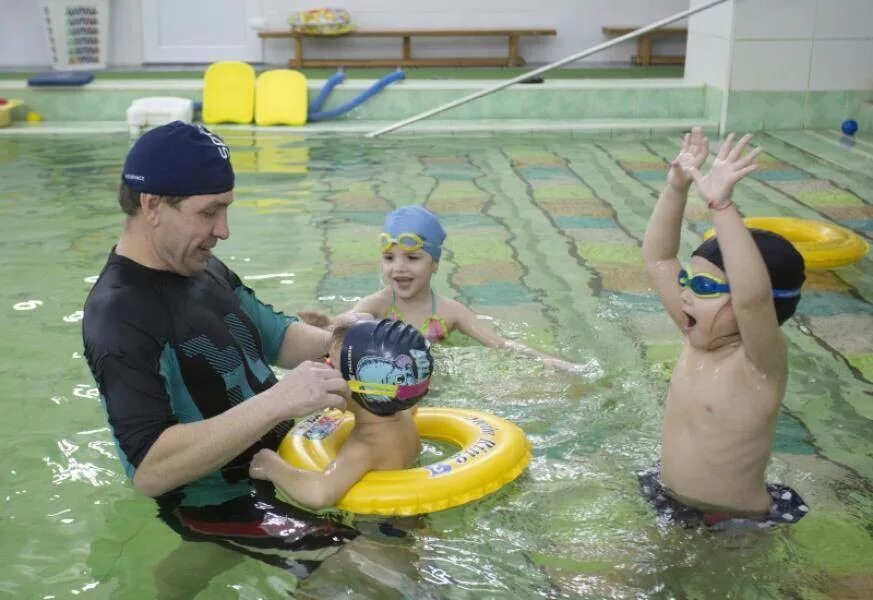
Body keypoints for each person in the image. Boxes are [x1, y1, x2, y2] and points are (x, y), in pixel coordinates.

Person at [82, 121, 357, 578]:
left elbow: (279, 337)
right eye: (209, 212)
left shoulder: (199, 265)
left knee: (411, 527)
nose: (224, 230)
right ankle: (190, 564)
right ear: (152, 205)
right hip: (225, 500)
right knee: (385, 570)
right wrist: (279, 400)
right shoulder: (118, 316)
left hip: (290, 461)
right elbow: (149, 468)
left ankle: (182, 576)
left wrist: (355, 342)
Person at [639, 127, 809, 530]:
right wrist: (676, 187)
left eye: (701, 286)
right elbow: (659, 259)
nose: (684, 292)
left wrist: (721, 205)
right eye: (688, 282)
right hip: (670, 496)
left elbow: (752, 301)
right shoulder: (696, 335)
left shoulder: (760, 365)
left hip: (732, 520)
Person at [300, 204, 594, 373]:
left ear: (435, 264)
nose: (398, 267)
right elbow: (349, 322)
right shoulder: (377, 304)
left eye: (412, 258)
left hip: (433, 382)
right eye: (389, 258)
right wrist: (328, 324)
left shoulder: (451, 312)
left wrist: (551, 362)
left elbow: (500, 345)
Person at [250, 318, 432, 509]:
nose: (321, 369)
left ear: (359, 386)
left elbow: (319, 494)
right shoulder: (404, 413)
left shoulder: (366, 446)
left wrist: (271, 466)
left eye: (329, 364)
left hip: (381, 530)